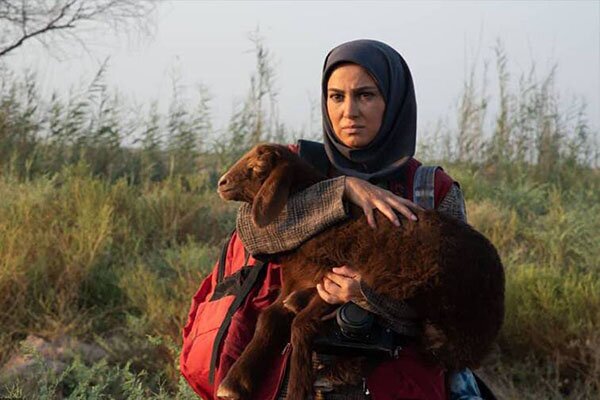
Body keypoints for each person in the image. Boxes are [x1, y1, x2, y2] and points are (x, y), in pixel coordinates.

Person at [181, 39, 484, 399]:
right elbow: (255, 234)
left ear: (394, 100)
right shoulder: (298, 164)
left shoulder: (430, 190)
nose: (349, 111)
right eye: (336, 96)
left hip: (400, 386)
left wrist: (368, 297)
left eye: (366, 95)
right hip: (291, 382)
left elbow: (460, 310)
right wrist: (342, 192)